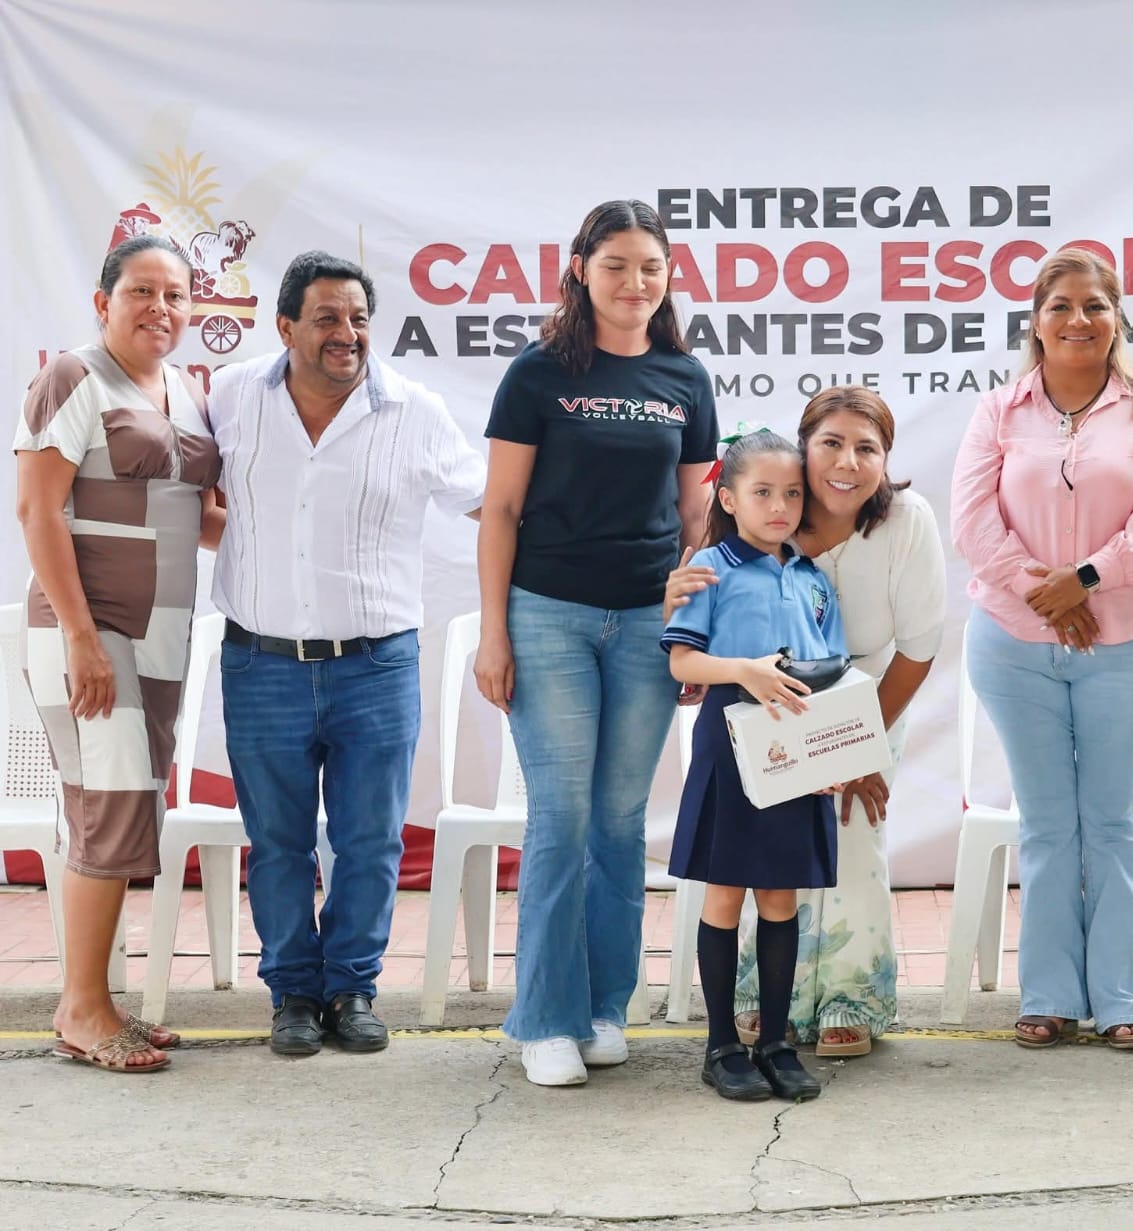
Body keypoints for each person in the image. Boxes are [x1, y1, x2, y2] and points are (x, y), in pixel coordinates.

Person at [210, 251, 486, 1057]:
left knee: (370, 840)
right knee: (280, 842)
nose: (348, 333)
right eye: (327, 317)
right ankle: (293, 992)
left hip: (377, 665)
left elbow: (491, 504)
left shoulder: (414, 410)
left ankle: (353, 988)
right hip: (261, 664)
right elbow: (181, 494)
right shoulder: (230, 397)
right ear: (285, 326)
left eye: (360, 318)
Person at [477, 199, 717, 1087]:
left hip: (648, 625)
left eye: (650, 267)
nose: (634, 282)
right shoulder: (539, 373)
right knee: (562, 814)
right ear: (580, 269)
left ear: (668, 275)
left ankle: (605, 1006)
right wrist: (494, 632)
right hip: (548, 615)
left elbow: (697, 515)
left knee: (620, 820)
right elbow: (501, 509)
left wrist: (691, 626)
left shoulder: (685, 378)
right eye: (615, 264)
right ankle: (545, 1017)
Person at [951, 246, 1133, 1052]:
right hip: (1014, 647)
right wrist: (1043, 590)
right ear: (1036, 322)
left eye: (1095, 305)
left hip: (1131, 646)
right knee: (1049, 822)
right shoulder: (998, 411)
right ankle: (1050, 992)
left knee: (1113, 820)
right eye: (1060, 305)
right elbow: (972, 521)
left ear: (1117, 319)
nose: (1078, 319)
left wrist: (1085, 578)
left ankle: (1122, 994)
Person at [666, 386, 946, 1056]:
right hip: (755, 719)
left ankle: (850, 996)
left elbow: (917, 650)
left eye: (867, 448)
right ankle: (765, 1004)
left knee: (849, 837)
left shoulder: (904, 522)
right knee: (758, 867)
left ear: (886, 459)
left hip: (864, 701)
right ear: (803, 448)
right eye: (831, 443)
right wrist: (689, 630)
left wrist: (855, 750)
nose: (847, 462)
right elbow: (690, 647)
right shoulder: (763, 520)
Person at [15, 235, 222, 1072]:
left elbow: (197, 514)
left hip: (162, 636)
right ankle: (82, 1009)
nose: (160, 308)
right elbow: (38, 512)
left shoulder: (189, 390)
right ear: (105, 301)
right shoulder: (73, 376)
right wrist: (80, 637)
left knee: (126, 805)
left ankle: (94, 998)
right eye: (142, 291)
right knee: (110, 801)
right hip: (92, 627)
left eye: (175, 294)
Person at [663, 428, 845, 1101]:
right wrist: (744, 670)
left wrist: (833, 753)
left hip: (795, 745)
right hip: (729, 739)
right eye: (763, 492)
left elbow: (832, 675)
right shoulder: (709, 569)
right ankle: (721, 1046)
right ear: (729, 499)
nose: (779, 506)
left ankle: (774, 1042)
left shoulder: (813, 579)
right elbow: (683, 661)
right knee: (725, 893)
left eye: (792, 494)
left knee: (779, 896)